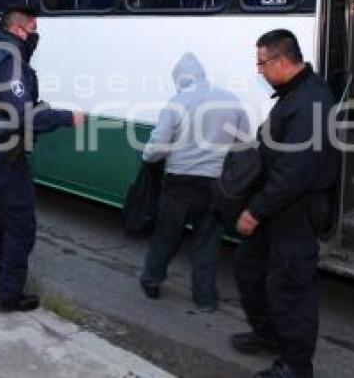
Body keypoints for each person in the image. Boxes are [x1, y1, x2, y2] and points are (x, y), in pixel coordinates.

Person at [232, 29, 337, 378]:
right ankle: (269, 336)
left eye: (262, 63)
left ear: (280, 61)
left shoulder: (312, 102)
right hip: (275, 207)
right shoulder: (294, 95)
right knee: (250, 270)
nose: (259, 71)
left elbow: (296, 171)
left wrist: (255, 210)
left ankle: (295, 365)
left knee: (290, 289)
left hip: (293, 211)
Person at [0, 6, 84, 312]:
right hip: (4, 157)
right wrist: (65, 117)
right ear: (19, 30)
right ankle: (8, 295)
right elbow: (21, 114)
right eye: (33, 30)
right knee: (19, 226)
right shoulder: (10, 61)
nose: (36, 37)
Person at [139, 52, 248, 312]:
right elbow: (243, 144)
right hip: (216, 186)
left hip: (180, 184)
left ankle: (152, 281)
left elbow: (156, 148)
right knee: (208, 243)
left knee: (166, 236)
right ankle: (205, 298)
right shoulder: (232, 101)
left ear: (180, 78)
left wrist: (147, 154)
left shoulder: (177, 102)